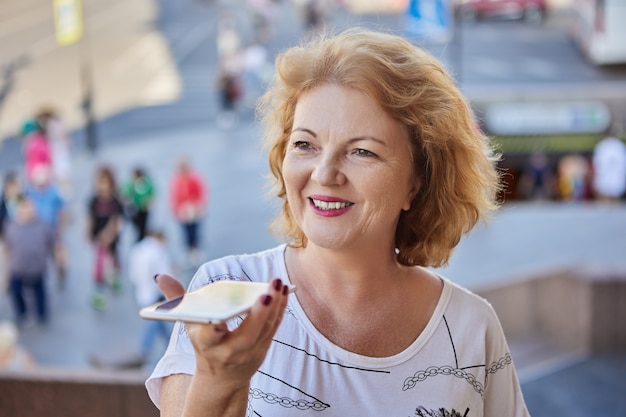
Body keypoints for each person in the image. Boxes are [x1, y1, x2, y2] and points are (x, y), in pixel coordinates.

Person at [146, 28, 530, 416]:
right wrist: (219, 385)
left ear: (417, 183)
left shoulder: (471, 327)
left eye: (362, 151)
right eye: (305, 145)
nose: (325, 173)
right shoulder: (222, 295)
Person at [3, 194, 55, 327]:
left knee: (40, 293)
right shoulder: (10, 226)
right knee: (16, 292)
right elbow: (7, 248)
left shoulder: (43, 224)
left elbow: (51, 243)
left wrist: (57, 257)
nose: (30, 209)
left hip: (37, 268)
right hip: (18, 268)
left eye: (32, 205)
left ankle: (41, 314)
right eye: (26, 206)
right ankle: (21, 313)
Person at [128, 230, 174, 363]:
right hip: (154, 292)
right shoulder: (159, 251)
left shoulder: (138, 249)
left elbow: (133, 274)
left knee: (157, 321)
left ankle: (170, 344)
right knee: (154, 322)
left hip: (142, 291)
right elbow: (165, 274)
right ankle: (145, 349)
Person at [86, 165, 125, 310]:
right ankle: (98, 291)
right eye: (99, 182)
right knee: (99, 266)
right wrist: (89, 233)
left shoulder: (115, 201)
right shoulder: (94, 201)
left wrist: (110, 234)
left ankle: (114, 277)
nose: (101, 186)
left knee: (114, 259)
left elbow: (118, 220)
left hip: (112, 239)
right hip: (99, 239)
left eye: (104, 182)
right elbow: (90, 218)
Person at [169, 158, 207, 267]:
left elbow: (200, 192)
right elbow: (174, 196)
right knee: (185, 230)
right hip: (183, 209)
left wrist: (199, 205)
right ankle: (189, 249)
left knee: (194, 229)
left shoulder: (193, 178)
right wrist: (175, 209)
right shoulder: (177, 180)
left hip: (193, 207)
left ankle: (195, 249)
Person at [122, 167, 155, 242]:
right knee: (136, 229)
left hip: (144, 209)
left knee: (143, 227)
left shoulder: (146, 184)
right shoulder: (131, 184)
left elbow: (151, 194)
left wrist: (148, 202)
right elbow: (126, 195)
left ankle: (143, 240)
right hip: (134, 210)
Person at [591, 136, 626, 201]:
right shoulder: (602, 146)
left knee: (614, 199)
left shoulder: (618, 146)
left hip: (616, 180)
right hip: (604, 179)